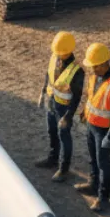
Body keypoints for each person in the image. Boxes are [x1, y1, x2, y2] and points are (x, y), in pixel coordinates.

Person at [77, 43, 110, 213]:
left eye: (95, 66)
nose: (92, 70)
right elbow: (92, 97)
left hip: (104, 131)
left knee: (103, 163)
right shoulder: (94, 77)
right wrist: (84, 111)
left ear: (105, 63)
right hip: (91, 125)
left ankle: (103, 197)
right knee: (93, 157)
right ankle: (93, 184)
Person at [35, 30, 84, 182]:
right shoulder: (54, 56)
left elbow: (76, 97)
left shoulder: (77, 71)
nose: (58, 55)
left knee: (64, 136)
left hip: (64, 108)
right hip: (51, 102)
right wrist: (43, 92)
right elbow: (48, 74)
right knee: (51, 131)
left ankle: (64, 169)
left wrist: (68, 117)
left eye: (61, 53)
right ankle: (52, 159)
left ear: (69, 51)